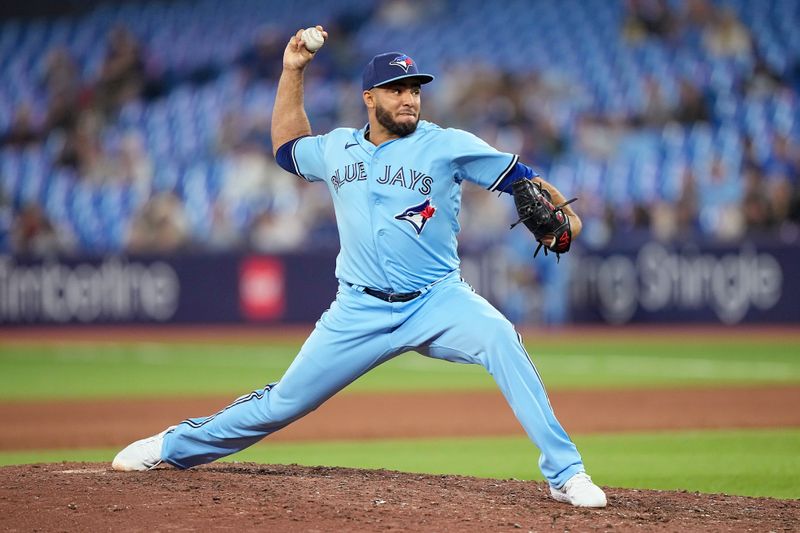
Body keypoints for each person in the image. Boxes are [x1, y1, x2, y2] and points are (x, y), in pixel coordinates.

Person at [112, 26, 607, 509]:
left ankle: (566, 474)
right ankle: (172, 447)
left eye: (415, 89)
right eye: (397, 90)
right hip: (358, 309)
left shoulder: (446, 143)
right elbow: (287, 149)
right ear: (369, 97)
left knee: (501, 338)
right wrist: (292, 71)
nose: (410, 98)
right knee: (284, 402)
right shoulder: (336, 147)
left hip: (438, 299)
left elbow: (524, 178)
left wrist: (568, 219)